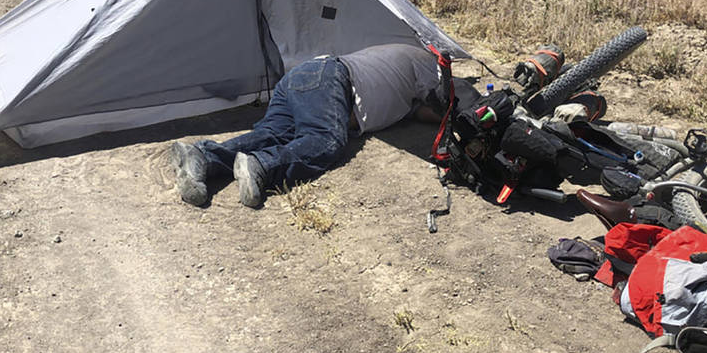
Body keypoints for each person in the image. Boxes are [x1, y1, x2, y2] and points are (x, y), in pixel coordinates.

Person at [166, 43, 478, 207]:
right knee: (327, 140)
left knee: (272, 132)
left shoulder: (399, 69)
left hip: (304, 76)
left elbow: (422, 111)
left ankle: (203, 157)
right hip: (332, 79)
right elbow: (445, 105)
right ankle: (262, 165)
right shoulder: (428, 64)